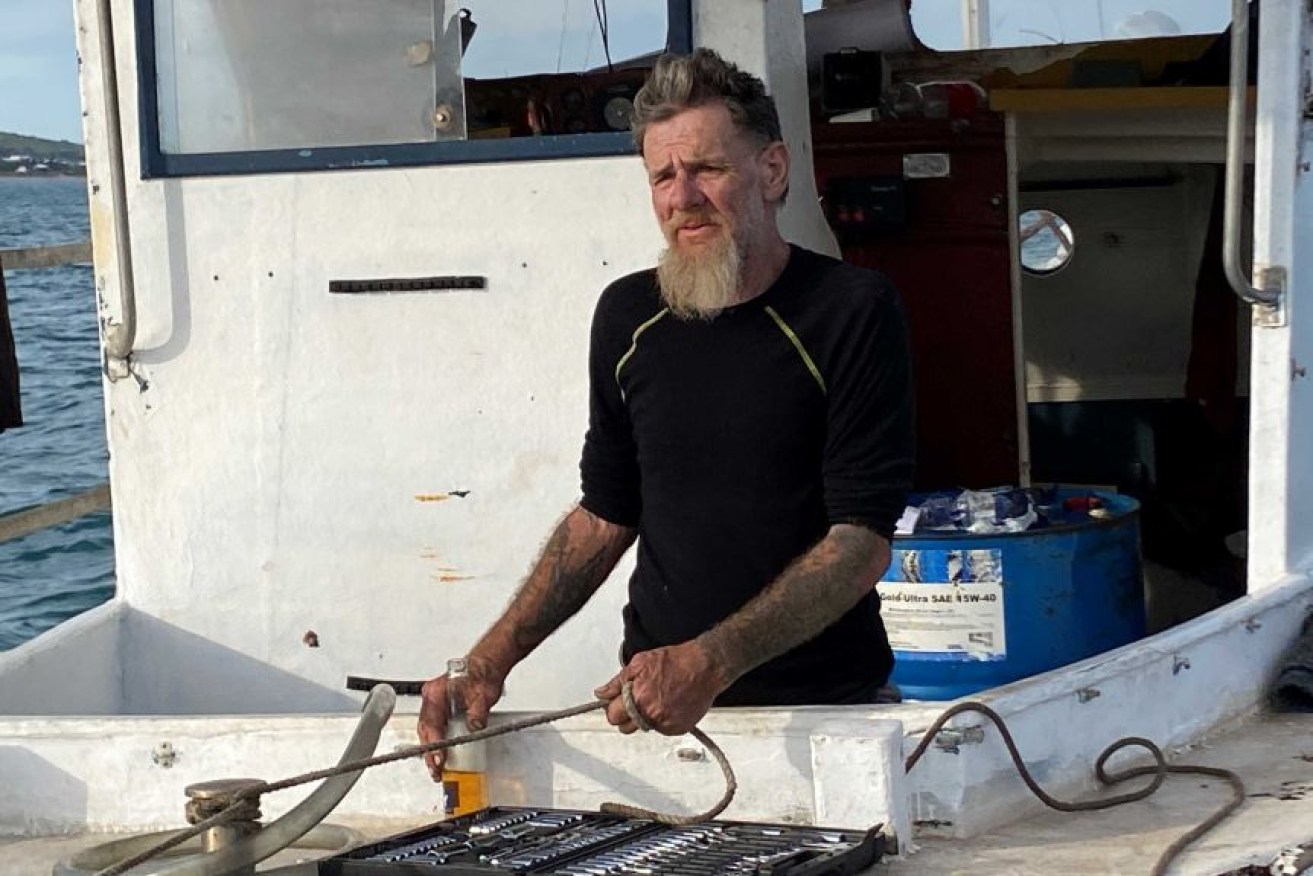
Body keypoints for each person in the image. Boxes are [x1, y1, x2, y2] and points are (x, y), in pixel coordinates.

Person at [418, 47, 914, 780]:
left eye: (707, 168)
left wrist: (709, 662)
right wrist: (485, 663)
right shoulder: (626, 316)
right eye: (661, 176)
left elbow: (859, 541)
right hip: (657, 730)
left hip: (828, 718)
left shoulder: (851, 310)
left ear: (771, 171)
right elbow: (604, 515)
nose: (682, 196)